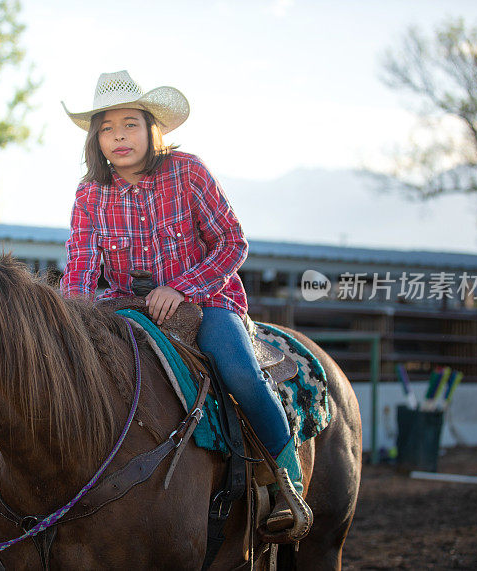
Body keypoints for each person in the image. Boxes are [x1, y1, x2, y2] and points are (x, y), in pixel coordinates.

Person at [60, 70, 306, 531]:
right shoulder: (90, 194)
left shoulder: (187, 171)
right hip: (123, 309)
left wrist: (181, 288)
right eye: (107, 128)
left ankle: (286, 483)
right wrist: (65, 316)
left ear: (152, 128)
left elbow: (232, 243)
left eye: (129, 124)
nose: (119, 137)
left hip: (208, 300)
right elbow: (80, 268)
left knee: (239, 372)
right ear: (96, 139)